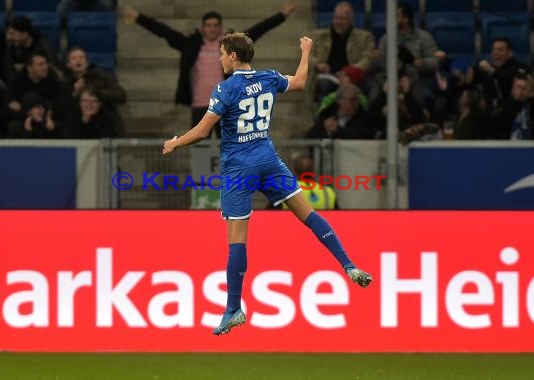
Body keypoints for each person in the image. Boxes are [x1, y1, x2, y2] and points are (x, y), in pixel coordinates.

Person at [162, 33, 372, 336]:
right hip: (269, 161)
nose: (220, 58)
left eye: (222, 53)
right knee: (309, 216)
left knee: (237, 241)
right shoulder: (269, 77)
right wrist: (306, 50)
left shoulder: (225, 88)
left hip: (238, 169)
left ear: (234, 56)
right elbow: (299, 81)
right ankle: (348, 264)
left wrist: (175, 143)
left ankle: (233, 307)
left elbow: (203, 131)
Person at [125, 1, 297, 138]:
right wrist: (138, 17)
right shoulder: (190, 45)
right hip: (200, 106)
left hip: (226, 105)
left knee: (229, 146)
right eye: (208, 25)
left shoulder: (230, 46)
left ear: (221, 27)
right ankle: (202, 183)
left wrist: (283, 15)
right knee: (200, 149)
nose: (212, 28)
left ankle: (230, 181)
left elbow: (259, 29)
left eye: (216, 25)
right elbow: (164, 32)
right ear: (202, 28)